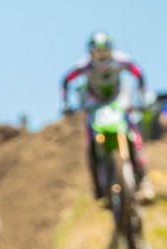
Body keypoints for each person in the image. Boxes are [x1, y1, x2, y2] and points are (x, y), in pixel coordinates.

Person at [61, 31, 148, 200]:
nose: (101, 57)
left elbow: (139, 74)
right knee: (91, 141)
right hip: (94, 102)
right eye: (97, 53)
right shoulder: (84, 66)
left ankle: (143, 175)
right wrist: (65, 104)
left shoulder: (121, 60)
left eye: (104, 52)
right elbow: (66, 80)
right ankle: (97, 185)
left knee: (131, 129)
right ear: (91, 53)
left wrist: (143, 97)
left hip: (118, 99)